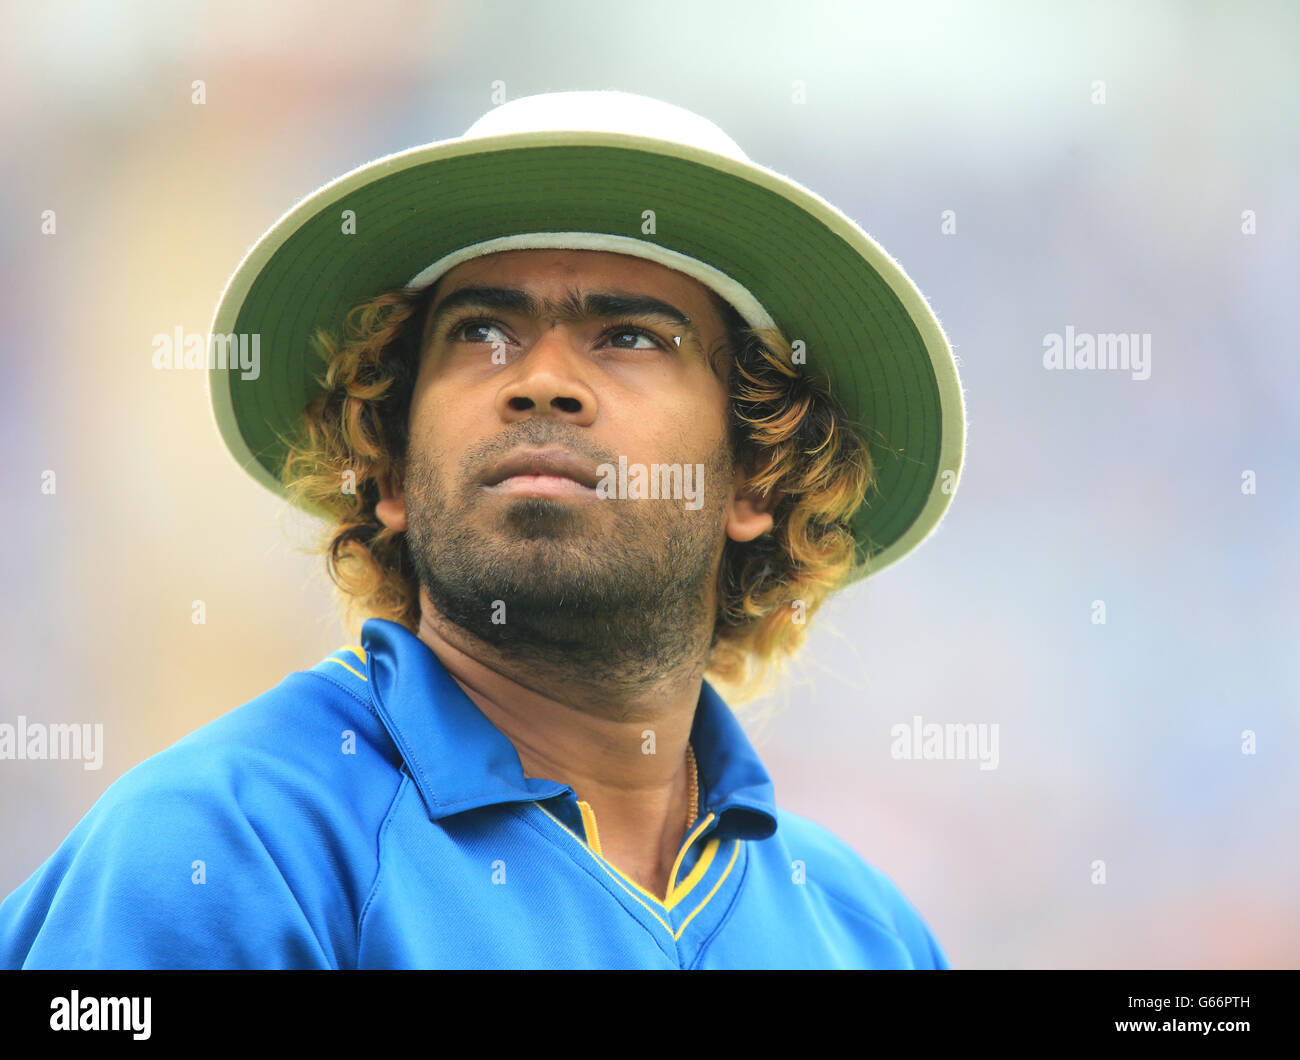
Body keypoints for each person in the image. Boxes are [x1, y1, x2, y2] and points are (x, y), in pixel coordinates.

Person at [0, 91, 965, 969]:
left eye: (629, 335)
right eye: (479, 333)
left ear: (758, 476)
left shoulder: (866, 934)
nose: (538, 377)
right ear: (389, 471)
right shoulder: (225, 847)